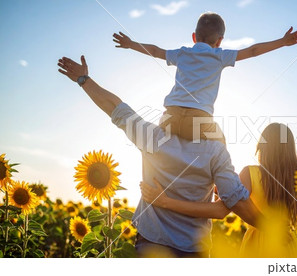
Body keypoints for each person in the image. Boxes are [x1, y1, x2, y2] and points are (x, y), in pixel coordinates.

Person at [57, 55, 261, 257]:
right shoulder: (216, 150)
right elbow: (238, 202)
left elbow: (115, 108)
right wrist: (274, 229)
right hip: (194, 250)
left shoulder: (152, 137)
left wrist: (84, 80)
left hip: (151, 246)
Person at [113, 12, 297, 144]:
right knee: (220, 147)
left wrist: (131, 44)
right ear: (220, 40)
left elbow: (155, 51)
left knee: (160, 148)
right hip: (199, 120)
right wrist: (282, 42)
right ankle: (219, 188)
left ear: (194, 37)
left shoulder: (182, 54)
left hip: (170, 117)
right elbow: (253, 51)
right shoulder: (219, 55)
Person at [140, 122, 297, 256]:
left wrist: (166, 201)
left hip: (257, 246)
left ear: (262, 147)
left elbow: (220, 210)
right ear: (290, 148)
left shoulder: (251, 173)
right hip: (288, 244)